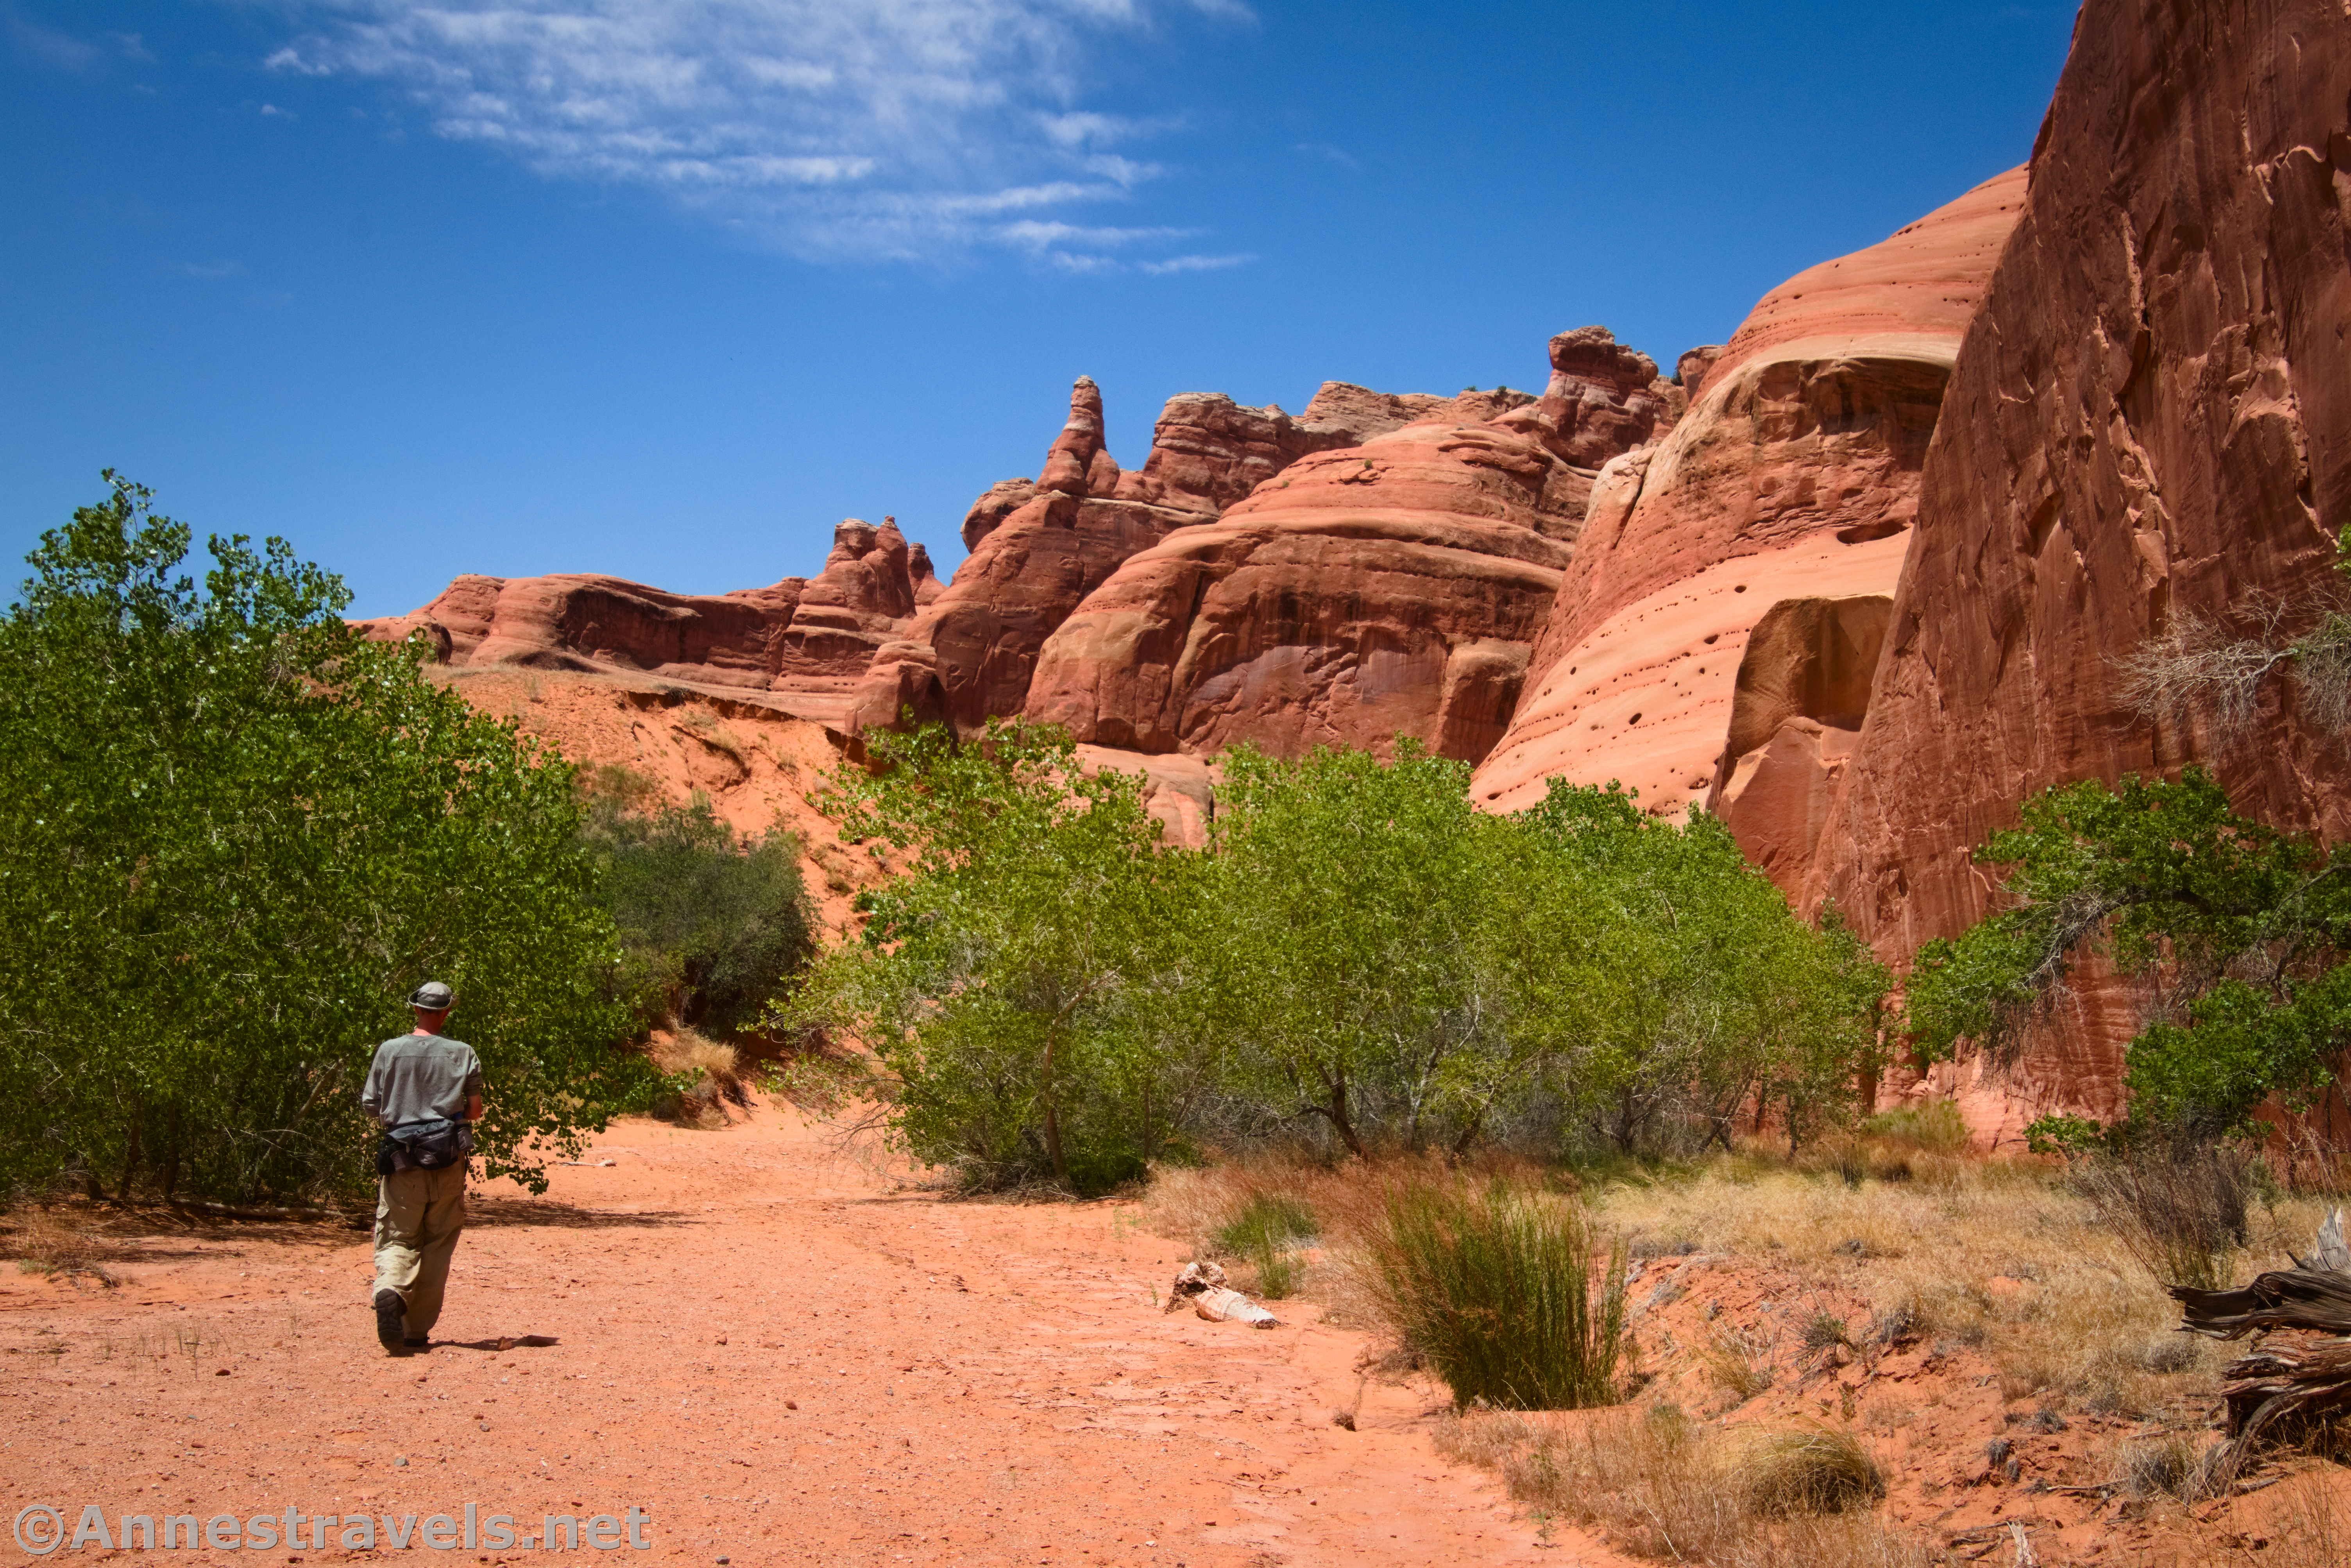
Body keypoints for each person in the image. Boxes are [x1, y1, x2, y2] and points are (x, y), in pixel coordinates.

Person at [360, 981, 483, 1355]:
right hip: (447, 1158)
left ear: (416, 1009)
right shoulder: (463, 1053)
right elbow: (475, 1111)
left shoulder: (389, 1051)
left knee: (398, 1235)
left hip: (402, 1159)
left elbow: (371, 1104)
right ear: (447, 1012)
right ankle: (416, 1331)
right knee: (438, 1243)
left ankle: (391, 1289)